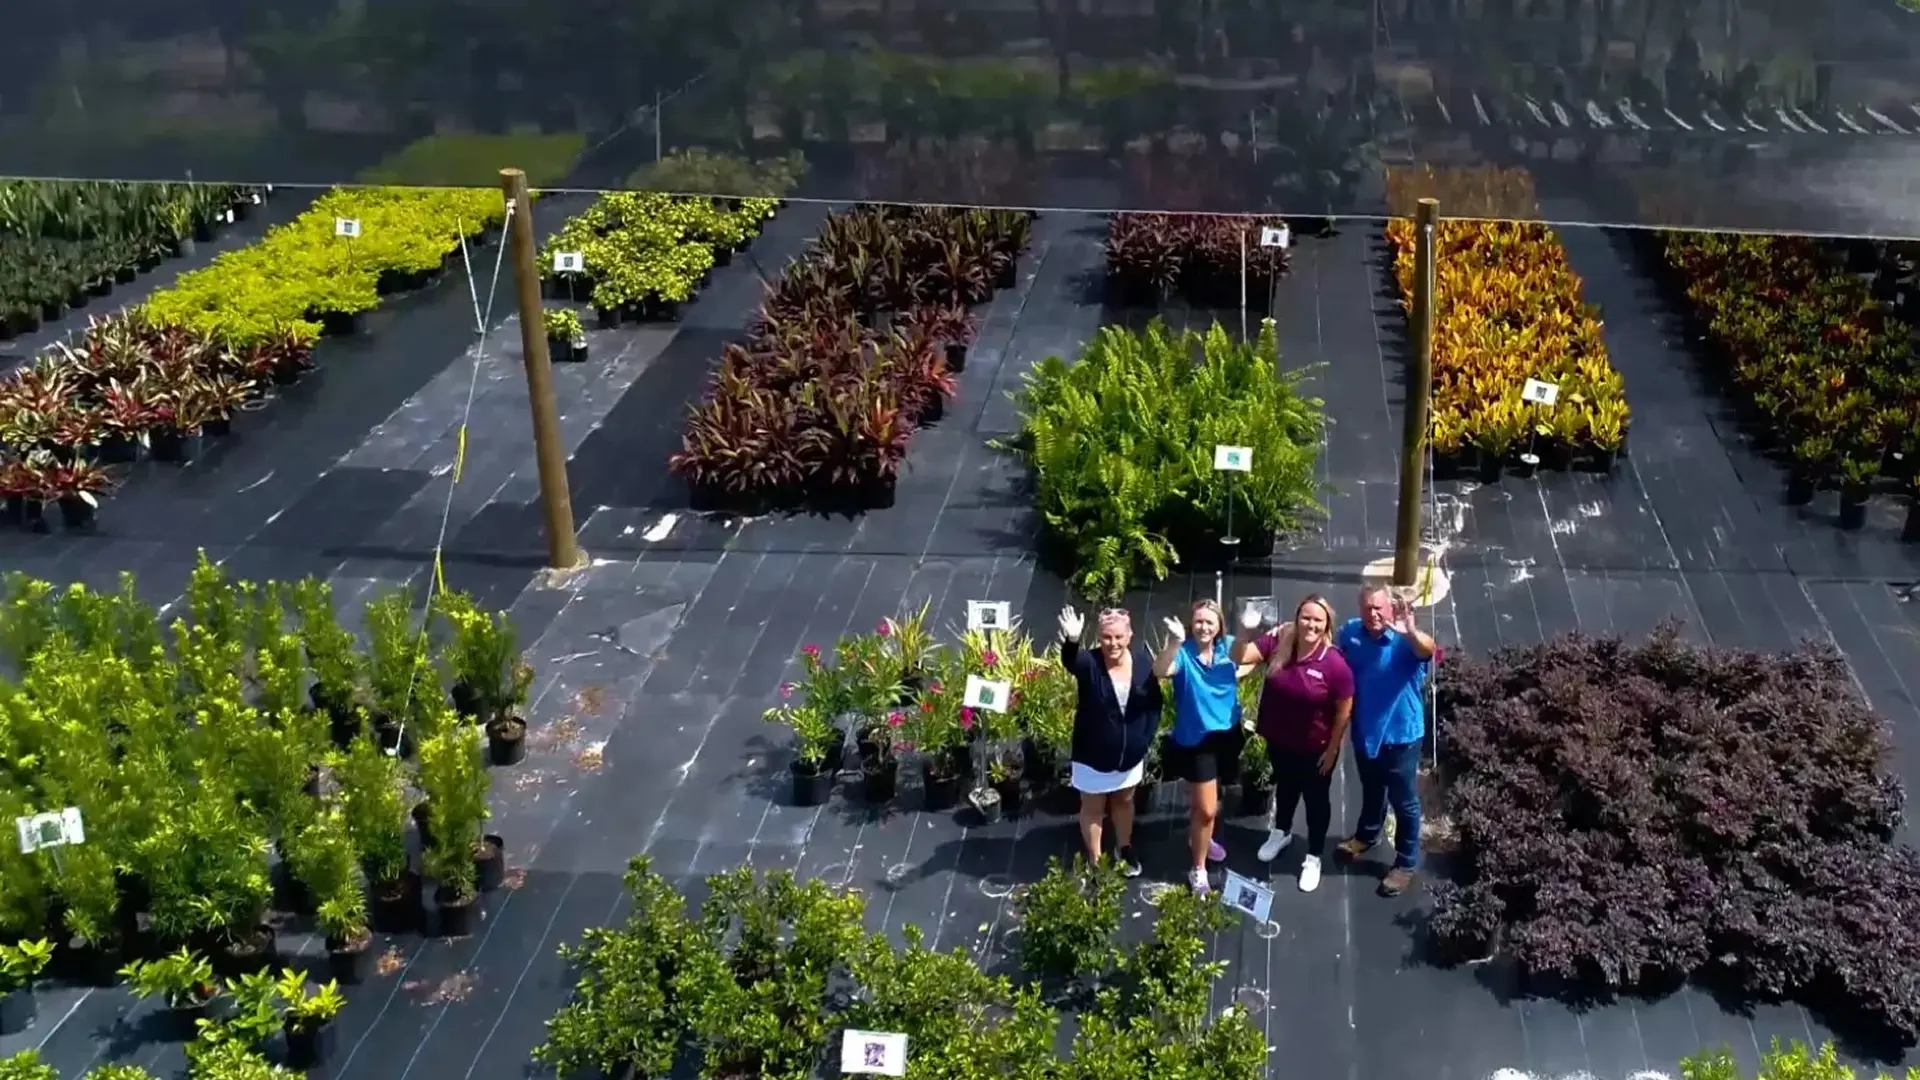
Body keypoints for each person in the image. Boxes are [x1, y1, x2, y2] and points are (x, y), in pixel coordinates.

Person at [1230, 595, 1354, 893]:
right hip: (1280, 740)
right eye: (1306, 617)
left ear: (1326, 626)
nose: (1310, 624)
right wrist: (1245, 631)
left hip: (1315, 749)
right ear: (1296, 619)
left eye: (1317, 620)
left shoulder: (1333, 663)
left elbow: (1345, 706)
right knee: (1285, 789)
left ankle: (1313, 856)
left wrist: (1333, 748)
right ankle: (1281, 832)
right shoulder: (1278, 643)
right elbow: (1239, 656)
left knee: (1316, 802)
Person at [1153, 599, 1256, 894]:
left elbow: (1246, 657)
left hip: (1227, 735)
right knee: (1208, 809)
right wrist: (1173, 642)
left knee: (1211, 799)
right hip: (1197, 741)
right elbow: (1161, 670)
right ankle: (1198, 869)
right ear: (1191, 624)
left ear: (1219, 626)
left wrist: (1244, 636)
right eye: (1199, 621)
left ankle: (1202, 835)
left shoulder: (1228, 647)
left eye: (1210, 622)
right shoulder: (1183, 654)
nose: (1204, 627)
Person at [1058, 605, 1162, 877]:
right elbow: (1071, 661)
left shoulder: (1141, 663)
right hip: (1093, 758)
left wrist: (1144, 739)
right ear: (1098, 637)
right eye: (1106, 637)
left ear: (1129, 636)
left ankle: (1124, 847)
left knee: (1125, 801)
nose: (1113, 643)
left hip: (1129, 758)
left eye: (1118, 637)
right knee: (1093, 809)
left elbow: (1154, 704)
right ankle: (1096, 860)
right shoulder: (1090, 664)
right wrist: (1071, 640)